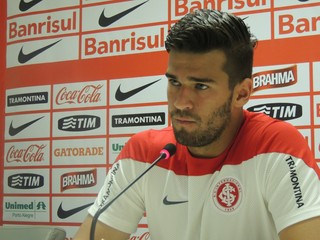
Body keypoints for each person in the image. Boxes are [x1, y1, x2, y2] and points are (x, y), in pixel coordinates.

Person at [74, 9, 320, 240]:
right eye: (175, 83)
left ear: (242, 93)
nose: (181, 103)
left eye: (200, 86)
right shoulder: (145, 153)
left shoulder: (274, 146)